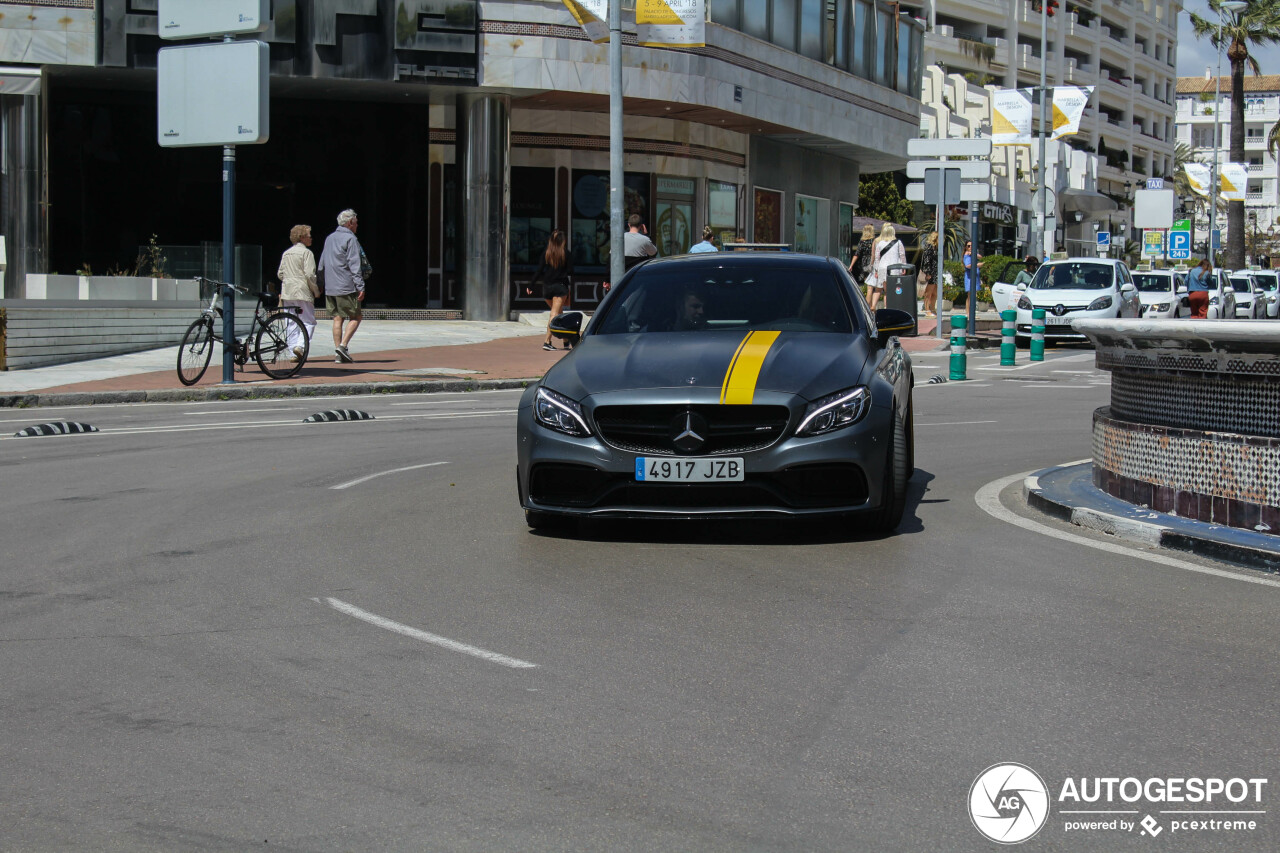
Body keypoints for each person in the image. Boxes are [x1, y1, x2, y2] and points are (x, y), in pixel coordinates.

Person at [318, 208, 365, 363]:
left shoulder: (329, 238)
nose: (357, 226)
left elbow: (322, 263)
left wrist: (321, 283)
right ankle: (343, 346)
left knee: (337, 318)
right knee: (356, 316)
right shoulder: (351, 239)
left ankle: (339, 354)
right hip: (346, 285)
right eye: (356, 223)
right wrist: (360, 286)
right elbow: (354, 264)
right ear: (350, 222)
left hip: (331, 286)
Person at [277, 224, 320, 360]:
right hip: (302, 290)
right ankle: (300, 346)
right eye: (309, 236)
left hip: (288, 291)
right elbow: (309, 274)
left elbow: (280, 273)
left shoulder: (286, 253)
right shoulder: (307, 253)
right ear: (302, 238)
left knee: (291, 321)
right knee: (308, 321)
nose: (311, 238)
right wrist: (316, 290)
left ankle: (292, 352)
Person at [525, 229, 574, 351]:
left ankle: (566, 340)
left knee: (559, 313)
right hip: (560, 287)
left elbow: (539, 270)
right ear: (563, 241)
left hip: (547, 287)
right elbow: (571, 270)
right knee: (554, 314)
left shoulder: (546, 253)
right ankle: (547, 341)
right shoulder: (566, 253)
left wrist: (530, 285)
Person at [867, 223, 905, 312]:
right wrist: (903, 267)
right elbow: (902, 255)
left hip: (882, 268)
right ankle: (887, 307)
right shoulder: (898, 243)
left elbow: (877, 258)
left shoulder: (880, 243)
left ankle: (873, 306)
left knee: (879, 289)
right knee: (890, 291)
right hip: (894, 268)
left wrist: (876, 270)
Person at [848, 224, 876, 293]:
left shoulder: (862, 242)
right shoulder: (875, 241)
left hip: (864, 264)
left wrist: (851, 265)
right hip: (874, 262)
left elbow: (856, 254)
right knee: (874, 283)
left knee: (867, 282)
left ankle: (867, 297)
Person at [919, 232, 939, 317]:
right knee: (928, 293)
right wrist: (928, 273)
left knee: (935, 293)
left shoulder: (936, 248)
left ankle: (933, 309)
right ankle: (927, 310)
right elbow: (926, 260)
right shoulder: (929, 247)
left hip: (936, 272)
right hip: (930, 272)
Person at [960, 240, 982, 309]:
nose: (970, 247)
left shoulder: (972, 254)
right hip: (970, 278)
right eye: (968, 246)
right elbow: (967, 265)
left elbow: (980, 256)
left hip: (975, 277)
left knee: (973, 296)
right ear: (966, 247)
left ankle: (972, 312)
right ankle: (968, 313)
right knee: (970, 296)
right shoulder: (966, 255)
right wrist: (977, 265)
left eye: (972, 246)